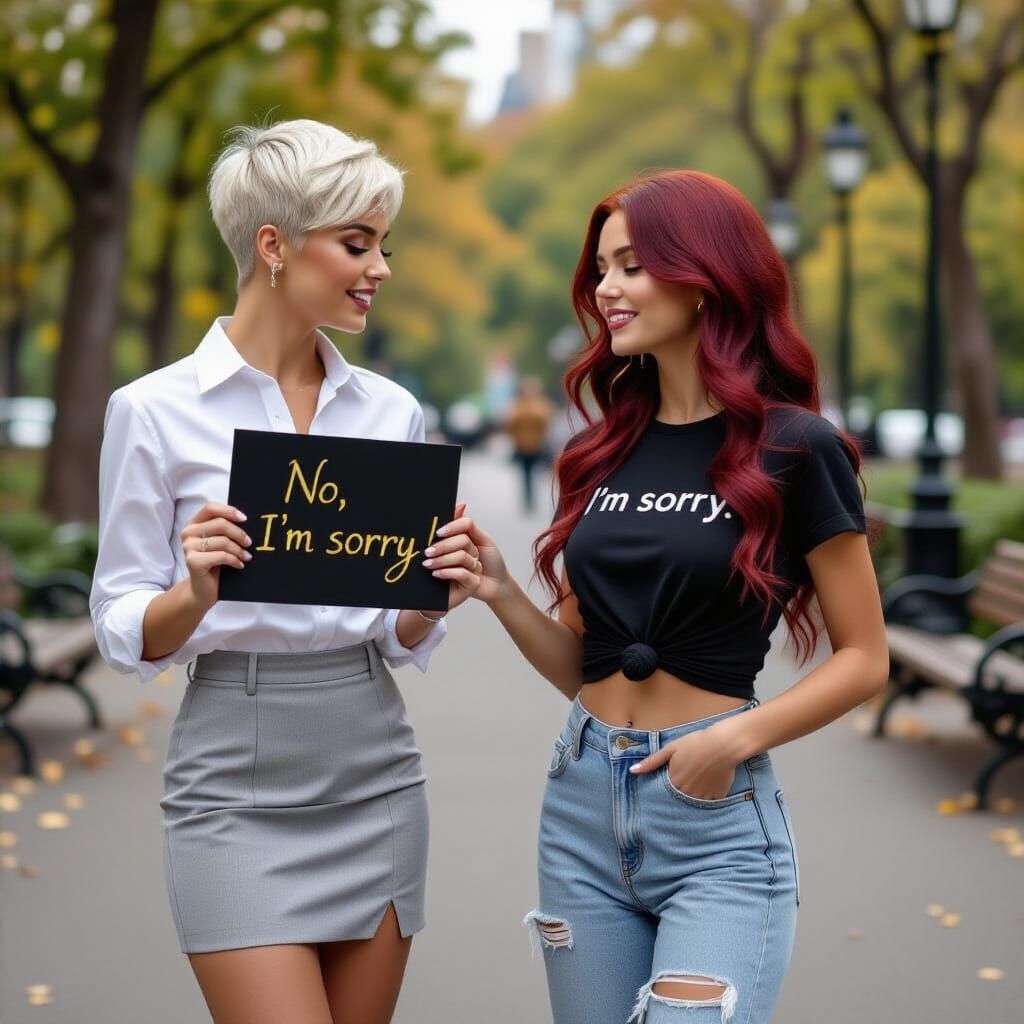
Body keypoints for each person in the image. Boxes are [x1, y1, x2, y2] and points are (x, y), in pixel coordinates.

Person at [429, 170, 889, 1023]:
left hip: (714, 821)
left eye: (632, 265)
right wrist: (499, 592)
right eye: (601, 269)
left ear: (705, 272)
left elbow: (865, 658)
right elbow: (584, 666)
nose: (606, 289)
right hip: (580, 805)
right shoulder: (602, 450)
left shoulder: (796, 447)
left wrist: (731, 740)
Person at [89, 119, 483, 1024]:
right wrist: (193, 592)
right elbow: (119, 620)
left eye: (384, 244)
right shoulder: (150, 411)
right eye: (357, 243)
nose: (380, 267)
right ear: (274, 245)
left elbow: (393, 628)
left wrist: (436, 592)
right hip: (231, 778)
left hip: (374, 767)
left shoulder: (390, 411)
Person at [502, 376, 556, 512]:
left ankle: (531, 499)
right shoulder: (519, 405)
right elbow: (510, 423)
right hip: (522, 445)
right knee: (526, 473)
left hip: (536, 445)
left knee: (534, 473)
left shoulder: (539, 405)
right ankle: (528, 499)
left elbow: (546, 422)